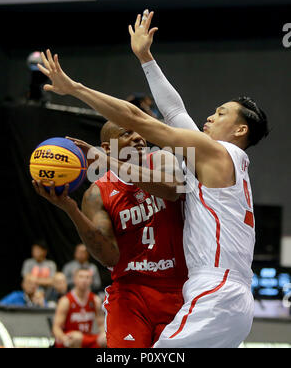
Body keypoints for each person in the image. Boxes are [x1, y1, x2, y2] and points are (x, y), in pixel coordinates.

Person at [35, 36, 269, 348]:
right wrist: (146, 58)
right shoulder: (220, 159)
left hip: (215, 293)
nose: (211, 116)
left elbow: (137, 119)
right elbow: (173, 110)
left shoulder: (213, 152)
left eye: (222, 113)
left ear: (240, 130)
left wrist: (75, 89)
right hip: (228, 298)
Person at [32, 60, 188, 346]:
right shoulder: (97, 192)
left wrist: (109, 162)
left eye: (139, 132)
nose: (140, 138)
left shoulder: (162, 159)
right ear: (107, 147)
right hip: (130, 292)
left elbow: (172, 190)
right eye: (127, 134)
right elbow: (109, 257)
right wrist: (71, 209)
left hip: (178, 287)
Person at [53, 268, 106, 348]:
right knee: (77, 337)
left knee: (105, 338)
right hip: (69, 338)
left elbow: (101, 324)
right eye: (81, 277)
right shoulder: (66, 301)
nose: (84, 280)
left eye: (87, 277)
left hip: (86, 337)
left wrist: (104, 335)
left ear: (91, 280)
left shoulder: (95, 300)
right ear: (75, 279)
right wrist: (64, 339)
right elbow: (56, 327)